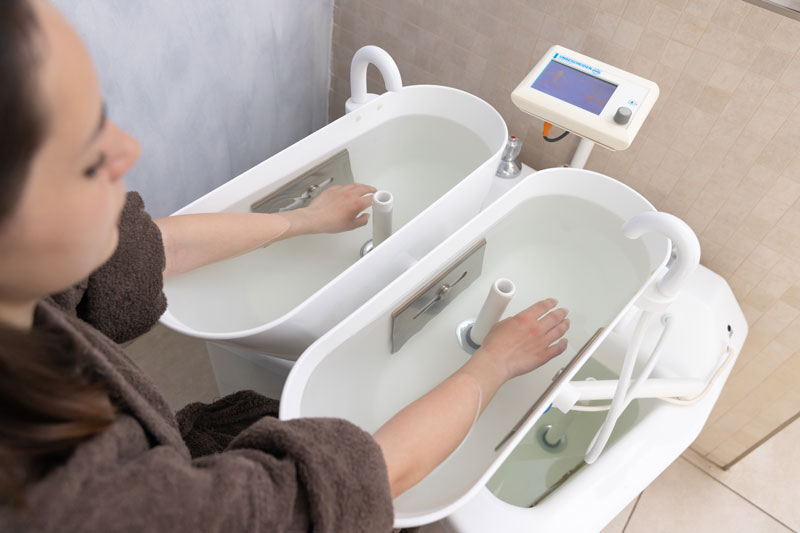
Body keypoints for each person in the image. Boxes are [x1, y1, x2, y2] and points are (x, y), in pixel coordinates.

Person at [0, 1, 570, 531]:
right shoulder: (83, 500)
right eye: (87, 154)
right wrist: (495, 361)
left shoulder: (23, 286)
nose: (128, 151)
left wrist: (304, 220)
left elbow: (159, 247)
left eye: (102, 115)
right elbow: (361, 480)